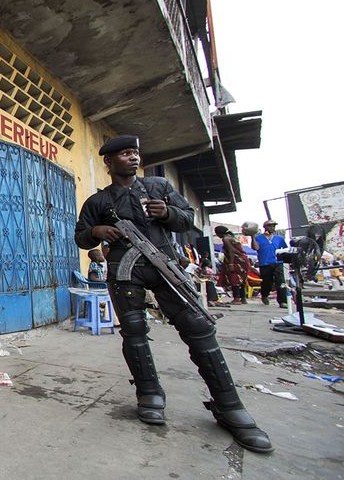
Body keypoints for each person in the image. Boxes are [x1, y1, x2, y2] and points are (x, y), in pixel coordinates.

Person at [75, 135, 272, 453]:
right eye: (125, 154)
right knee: (134, 332)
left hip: (163, 264)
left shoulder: (158, 188)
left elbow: (187, 220)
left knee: (198, 328)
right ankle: (149, 394)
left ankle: (229, 405)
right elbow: (81, 237)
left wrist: (167, 213)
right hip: (126, 272)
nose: (134, 158)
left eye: (136, 153)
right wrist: (96, 232)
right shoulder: (99, 202)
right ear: (109, 161)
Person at [251, 220, 288, 308]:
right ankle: (264, 295)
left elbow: (285, 249)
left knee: (280, 282)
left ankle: (282, 301)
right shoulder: (258, 238)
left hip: (277, 262)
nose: (272, 228)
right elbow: (255, 247)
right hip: (265, 263)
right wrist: (253, 237)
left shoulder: (279, 238)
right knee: (267, 282)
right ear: (265, 227)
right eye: (270, 226)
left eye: (273, 226)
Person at [215, 225, 250, 305]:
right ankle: (243, 298)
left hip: (236, 260)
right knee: (242, 279)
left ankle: (236, 299)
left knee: (234, 278)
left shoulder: (225, 239)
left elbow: (231, 250)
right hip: (243, 260)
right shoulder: (232, 237)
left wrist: (231, 263)